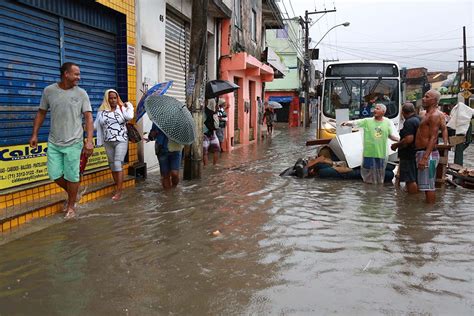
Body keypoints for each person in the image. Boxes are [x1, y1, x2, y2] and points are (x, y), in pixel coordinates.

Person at [29, 62, 94, 219]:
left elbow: (88, 117)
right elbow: (41, 112)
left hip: (74, 142)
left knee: (72, 176)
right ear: (66, 74)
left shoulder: (81, 93)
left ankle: (71, 206)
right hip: (54, 141)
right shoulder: (49, 91)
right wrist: (34, 134)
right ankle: (74, 193)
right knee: (54, 174)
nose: (79, 77)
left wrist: (89, 141)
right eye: (76, 74)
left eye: (79, 74)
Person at [341, 103, 399, 184]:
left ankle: (377, 192)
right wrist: (347, 123)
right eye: (374, 108)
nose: (375, 110)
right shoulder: (367, 121)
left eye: (377, 109)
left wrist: (399, 140)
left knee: (379, 175)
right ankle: (368, 192)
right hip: (369, 153)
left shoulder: (387, 122)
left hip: (380, 153)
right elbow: (356, 122)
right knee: (368, 174)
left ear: (383, 112)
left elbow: (389, 135)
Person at [94, 89, 134, 201]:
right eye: (110, 98)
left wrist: (128, 105)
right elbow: (96, 126)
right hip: (107, 141)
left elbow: (130, 116)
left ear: (117, 98)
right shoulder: (101, 112)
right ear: (107, 99)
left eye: (115, 98)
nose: (112, 100)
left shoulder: (121, 109)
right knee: (112, 165)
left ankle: (119, 192)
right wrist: (84, 126)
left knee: (117, 164)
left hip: (121, 140)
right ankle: (118, 186)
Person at [414, 89, 445, 203]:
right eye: (424, 96)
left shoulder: (434, 115)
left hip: (428, 155)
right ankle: (429, 213)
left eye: (427, 97)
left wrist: (425, 158)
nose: (423, 99)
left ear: (434, 101)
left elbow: (433, 137)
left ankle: (430, 214)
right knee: (426, 185)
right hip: (424, 153)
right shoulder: (426, 114)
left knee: (429, 186)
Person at [391, 103, 420, 193]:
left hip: (409, 154)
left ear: (403, 112)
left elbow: (408, 139)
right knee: (415, 178)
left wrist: (396, 145)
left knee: (410, 179)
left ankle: (411, 202)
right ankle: (415, 200)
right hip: (416, 153)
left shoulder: (409, 122)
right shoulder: (419, 119)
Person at [145, 123, 183, 189]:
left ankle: (174, 190)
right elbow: (151, 137)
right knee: (165, 175)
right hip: (162, 149)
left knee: (175, 173)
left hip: (175, 149)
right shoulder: (158, 120)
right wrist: (153, 133)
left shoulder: (179, 122)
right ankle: (168, 196)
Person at [203, 99, 220, 165]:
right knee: (216, 150)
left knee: (205, 152)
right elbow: (217, 125)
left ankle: (206, 167)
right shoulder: (212, 112)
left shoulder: (199, 112)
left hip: (205, 134)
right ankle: (214, 166)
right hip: (211, 133)